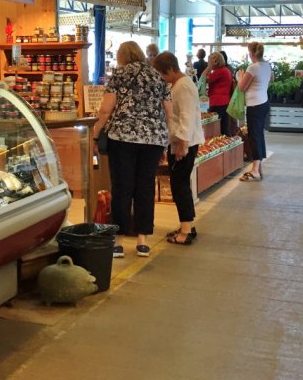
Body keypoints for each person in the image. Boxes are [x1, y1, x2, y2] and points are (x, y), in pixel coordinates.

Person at [93, 41, 173, 259]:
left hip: (123, 138)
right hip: (153, 140)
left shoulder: (120, 74)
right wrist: (166, 138)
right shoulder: (157, 76)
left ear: (121, 56)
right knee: (145, 188)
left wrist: (96, 132)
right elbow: (169, 111)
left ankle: (118, 243)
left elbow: (105, 109)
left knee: (122, 187)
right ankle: (142, 241)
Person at [153, 52, 204, 245]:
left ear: (170, 69)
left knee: (179, 185)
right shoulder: (179, 84)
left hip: (186, 143)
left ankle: (185, 231)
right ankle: (187, 225)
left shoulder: (183, 86)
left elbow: (187, 116)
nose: (161, 78)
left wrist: (182, 144)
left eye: (161, 74)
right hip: (180, 141)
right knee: (180, 184)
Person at [237, 41, 271, 181]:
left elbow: (241, 87)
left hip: (254, 105)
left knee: (254, 136)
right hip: (264, 102)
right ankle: (259, 166)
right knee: (259, 135)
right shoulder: (267, 66)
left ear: (251, 53)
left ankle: (255, 170)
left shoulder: (253, 67)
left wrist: (240, 76)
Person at [202, 52, 234, 136]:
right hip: (224, 102)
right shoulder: (225, 70)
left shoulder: (220, 71)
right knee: (224, 127)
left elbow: (202, 79)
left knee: (215, 128)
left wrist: (208, 67)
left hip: (217, 103)